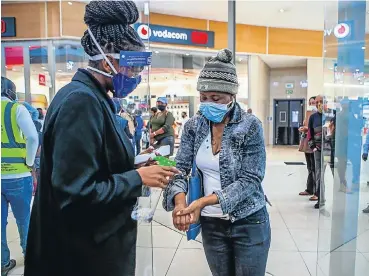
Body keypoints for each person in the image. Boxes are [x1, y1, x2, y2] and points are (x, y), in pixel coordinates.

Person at [24, 1, 178, 276]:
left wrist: (135, 166)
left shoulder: (97, 99)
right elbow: (74, 194)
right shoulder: (80, 102)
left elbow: (94, 166)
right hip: (81, 257)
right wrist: (137, 179)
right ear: (106, 53)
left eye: (139, 68)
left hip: (95, 248)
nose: (135, 75)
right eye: (131, 64)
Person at [163, 49, 271, 276]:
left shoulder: (250, 126)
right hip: (212, 225)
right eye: (203, 98)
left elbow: (251, 179)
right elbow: (179, 169)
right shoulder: (194, 126)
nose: (208, 103)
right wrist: (181, 204)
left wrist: (204, 201)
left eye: (216, 98)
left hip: (248, 220)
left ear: (231, 96)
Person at [1, 77, 38, 276]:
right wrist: (30, 162)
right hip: (17, 175)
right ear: (10, 91)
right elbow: (32, 137)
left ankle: (3, 262)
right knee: (24, 220)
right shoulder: (16, 109)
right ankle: (30, 258)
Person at [299, 96, 317, 199]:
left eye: (314, 102)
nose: (312, 105)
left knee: (314, 168)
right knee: (310, 168)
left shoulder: (318, 116)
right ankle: (309, 189)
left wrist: (307, 128)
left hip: (313, 145)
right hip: (307, 143)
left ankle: (315, 191)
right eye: (310, 103)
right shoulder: (308, 115)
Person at [308, 95, 324, 209]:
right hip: (317, 150)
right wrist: (312, 146)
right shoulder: (313, 117)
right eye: (317, 102)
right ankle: (320, 197)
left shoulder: (331, 115)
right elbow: (310, 133)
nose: (319, 104)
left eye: (321, 101)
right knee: (319, 174)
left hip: (330, 150)